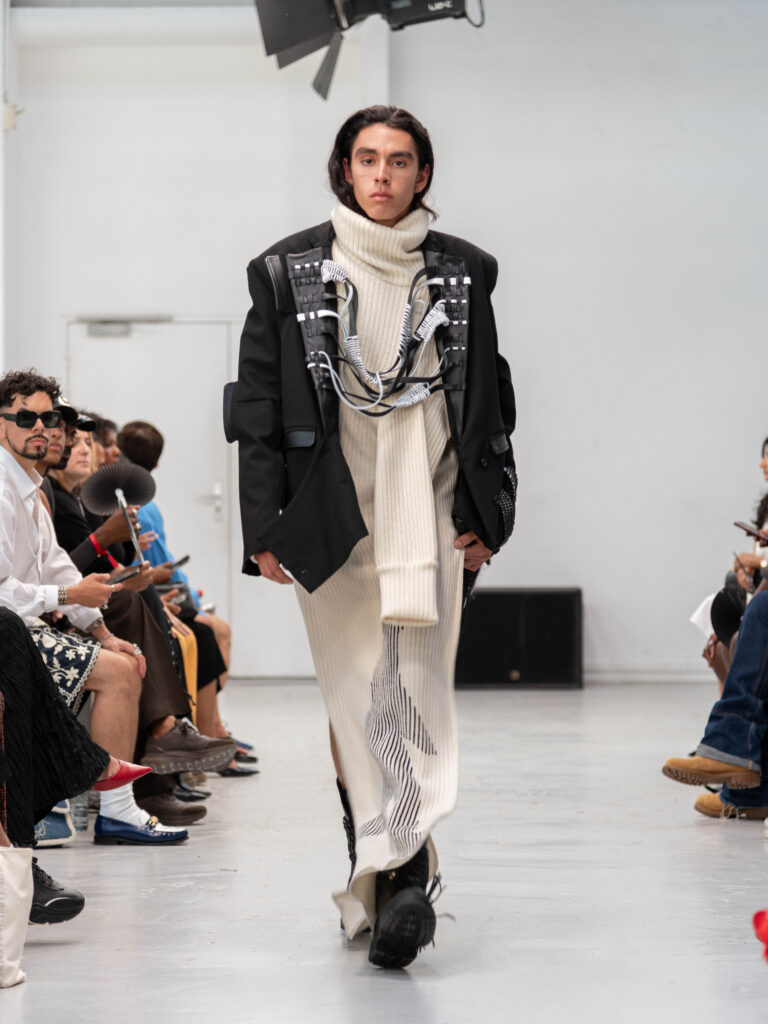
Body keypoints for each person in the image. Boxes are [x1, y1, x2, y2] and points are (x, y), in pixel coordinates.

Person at [229, 106, 516, 968]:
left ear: (422, 174)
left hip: (432, 504)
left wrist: (490, 515)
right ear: (344, 169)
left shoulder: (465, 270)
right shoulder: (283, 270)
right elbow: (256, 410)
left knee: (416, 690)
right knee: (356, 693)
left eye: (399, 161)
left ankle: (402, 877)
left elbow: (492, 403)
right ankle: (383, 865)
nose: (383, 175)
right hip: (331, 512)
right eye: (367, 159)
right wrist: (264, 527)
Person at [0, 370, 189, 845]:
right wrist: (69, 598)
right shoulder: (3, 489)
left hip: (25, 628)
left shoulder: (28, 487)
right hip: (8, 636)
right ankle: (117, 808)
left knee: (125, 658)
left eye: (49, 418)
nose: (41, 428)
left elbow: (58, 567)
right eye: (26, 418)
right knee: (119, 673)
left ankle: (116, 802)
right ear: (2, 425)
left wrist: (103, 633)